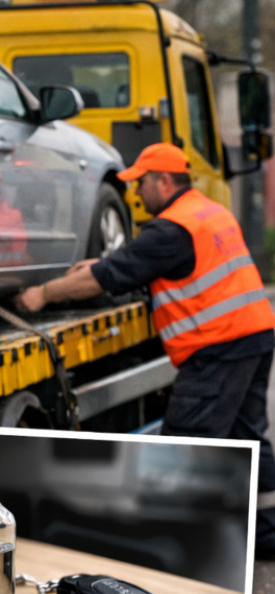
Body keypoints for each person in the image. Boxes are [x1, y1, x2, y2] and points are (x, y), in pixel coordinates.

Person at [14, 142, 275, 556]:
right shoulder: (208, 212)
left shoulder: (170, 229)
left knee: (187, 446)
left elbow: (107, 277)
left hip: (218, 346)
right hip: (255, 333)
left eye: (142, 184)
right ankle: (265, 534)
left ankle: (178, 548)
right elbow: (144, 264)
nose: (136, 194)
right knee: (246, 437)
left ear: (164, 180)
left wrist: (43, 294)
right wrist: (100, 265)